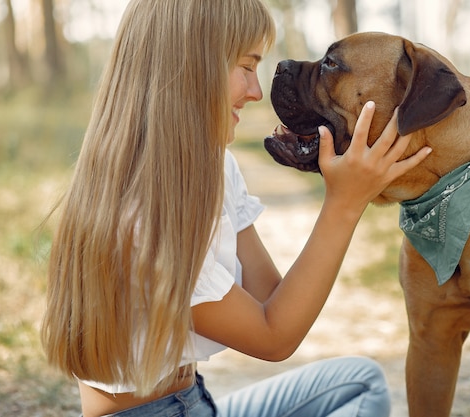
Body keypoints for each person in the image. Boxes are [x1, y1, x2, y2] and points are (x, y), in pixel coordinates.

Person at [40, 1, 432, 416]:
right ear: (191, 67)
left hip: (191, 400)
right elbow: (273, 337)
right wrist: (345, 204)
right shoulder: (143, 215)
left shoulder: (213, 168)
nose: (256, 91)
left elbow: (274, 300)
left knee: (359, 382)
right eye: (247, 67)